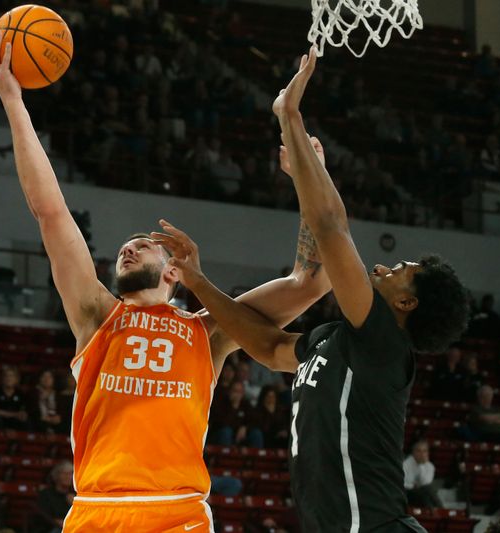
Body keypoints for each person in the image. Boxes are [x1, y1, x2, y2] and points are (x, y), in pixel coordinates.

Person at [0, 30, 328, 532]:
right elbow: (50, 212)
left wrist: (309, 177)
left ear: (173, 270)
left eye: (145, 243)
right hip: (96, 511)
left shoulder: (208, 330)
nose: (129, 246)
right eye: (126, 245)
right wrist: (13, 101)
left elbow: (310, 282)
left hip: (177, 512)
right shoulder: (96, 314)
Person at [152, 47, 468, 532]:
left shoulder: (384, 343)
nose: (384, 266)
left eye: (402, 270)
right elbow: (265, 343)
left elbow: (330, 226)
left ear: (406, 304)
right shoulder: (330, 341)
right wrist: (197, 281)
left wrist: (290, 119)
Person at [0, 366, 29, 431]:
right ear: (2, 378)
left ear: (17, 379)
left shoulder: (21, 394)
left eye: (12, 376)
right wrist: (14, 414)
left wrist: (23, 415)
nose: (9, 378)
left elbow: (23, 410)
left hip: (15, 422)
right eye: (6, 376)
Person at [34, 461, 75, 533]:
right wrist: (56, 521)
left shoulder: (75, 495)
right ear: (56, 475)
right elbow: (43, 516)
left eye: (71, 474)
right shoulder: (46, 494)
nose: (69, 477)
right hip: (50, 528)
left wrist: (73, 504)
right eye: (65, 474)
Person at [402, 440, 442, 508]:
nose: (422, 454)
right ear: (413, 452)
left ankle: (440, 510)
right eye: (419, 451)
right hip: (407, 492)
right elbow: (402, 483)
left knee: (427, 491)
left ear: (427, 453)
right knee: (425, 493)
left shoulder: (430, 466)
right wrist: (413, 486)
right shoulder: (406, 464)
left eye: (424, 451)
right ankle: (437, 511)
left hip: (423, 491)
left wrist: (422, 466)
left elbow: (426, 483)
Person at [29, 369, 63, 434]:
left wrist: (59, 417)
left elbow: (61, 410)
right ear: (39, 379)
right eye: (44, 376)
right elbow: (31, 411)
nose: (46, 379)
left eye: (49, 377)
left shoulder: (58, 394)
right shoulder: (33, 393)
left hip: (56, 422)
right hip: (39, 422)